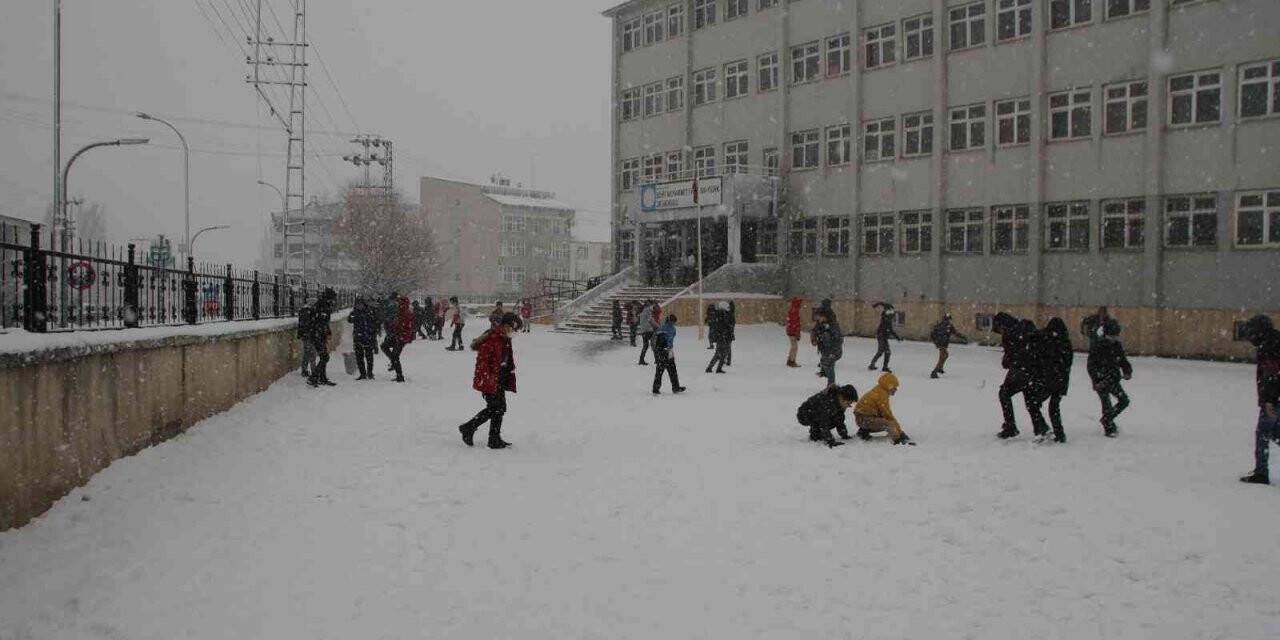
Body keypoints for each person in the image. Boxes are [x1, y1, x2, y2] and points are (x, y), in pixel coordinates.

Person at [458, 312, 521, 449]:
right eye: (513, 329)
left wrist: (508, 373)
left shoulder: (504, 338)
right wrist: (489, 380)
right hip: (490, 380)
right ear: (505, 326)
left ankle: (494, 438)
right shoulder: (493, 338)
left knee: (499, 408)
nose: (514, 333)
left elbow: (505, 360)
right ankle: (468, 428)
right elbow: (482, 363)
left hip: (499, 379)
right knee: (495, 408)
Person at [1240, 315, 1280, 485]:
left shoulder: (1270, 347)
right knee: (1275, 433)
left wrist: (1269, 400)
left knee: (1263, 433)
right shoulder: (1274, 341)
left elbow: (1272, 375)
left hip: (1274, 399)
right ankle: (1261, 471)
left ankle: (1261, 473)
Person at [993, 312, 1038, 439]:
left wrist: (1006, 361)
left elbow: (1008, 359)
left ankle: (1010, 426)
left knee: (1004, 393)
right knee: (1030, 399)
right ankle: (1040, 427)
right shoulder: (1026, 327)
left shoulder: (1010, 333)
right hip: (1033, 369)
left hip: (1019, 370)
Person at [1086, 317, 1132, 438]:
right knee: (1106, 404)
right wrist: (1096, 380)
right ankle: (1109, 427)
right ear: (1105, 335)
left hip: (1114, 379)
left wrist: (1127, 371)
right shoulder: (1097, 346)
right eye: (1112, 336)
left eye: (1116, 336)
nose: (1114, 339)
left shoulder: (1117, 346)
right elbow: (1091, 366)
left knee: (1124, 401)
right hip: (1101, 381)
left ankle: (1107, 419)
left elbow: (1123, 360)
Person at [1037, 317, 1074, 443]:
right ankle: (1059, 433)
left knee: (1034, 403)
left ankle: (1044, 428)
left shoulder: (1047, 341)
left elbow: (1043, 359)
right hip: (1060, 381)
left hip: (1049, 380)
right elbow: (1068, 363)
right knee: (1054, 408)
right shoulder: (1065, 343)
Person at [854, 372, 913, 445]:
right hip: (865, 419)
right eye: (894, 387)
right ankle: (898, 441)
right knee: (889, 424)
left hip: (862, 419)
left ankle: (863, 432)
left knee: (883, 420)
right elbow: (888, 415)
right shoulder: (882, 395)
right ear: (889, 386)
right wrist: (900, 433)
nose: (896, 389)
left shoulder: (879, 390)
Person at [305, 289, 337, 387]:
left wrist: (327, 332)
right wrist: (322, 332)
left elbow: (324, 323)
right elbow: (320, 322)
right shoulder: (322, 306)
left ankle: (322, 378)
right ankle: (313, 377)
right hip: (316, 335)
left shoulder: (323, 305)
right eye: (332, 299)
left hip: (319, 334)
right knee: (325, 357)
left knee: (324, 356)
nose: (334, 301)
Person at [381, 294, 415, 382]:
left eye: (400, 302)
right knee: (385, 347)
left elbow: (408, 327)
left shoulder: (405, 313)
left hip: (401, 337)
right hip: (397, 336)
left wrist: (403, 336)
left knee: (395, 356)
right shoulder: (400, 312)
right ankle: (395, 366)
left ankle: (400, 376)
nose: (398, 304)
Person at [347, 297, 382, 380]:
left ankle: (370, 373)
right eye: (357, 304)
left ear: (363, 304)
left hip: (368, 336)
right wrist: (352, 315)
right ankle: (362, 374)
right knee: (359, 357)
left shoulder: (370, 311)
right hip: (358, 337)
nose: (359, 306)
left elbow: (377, 321)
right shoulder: (354, 312)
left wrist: (375, 331)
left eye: (360, 304)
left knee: (369, 356)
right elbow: (349, 320)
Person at [652, 314, 685, 395]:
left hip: (661, 351)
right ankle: (675, 387)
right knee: (672, 370)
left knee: (660, 370)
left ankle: (655, 388)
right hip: (667, 351)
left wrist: (657, 351)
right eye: (673, 322)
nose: (674, 323)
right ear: (671, 321)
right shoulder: (672, 329)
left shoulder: (661, 327)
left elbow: (655, 339)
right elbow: (670, 339)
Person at [929, 313, 968, 379]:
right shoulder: (948, 326)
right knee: (943, 356)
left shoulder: (940, 325)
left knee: (945, 355)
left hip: (941, 343)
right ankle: (934, 372)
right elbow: (956, 333)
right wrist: (963, 337)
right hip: (942, 343)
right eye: (949, 319)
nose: (949, 321)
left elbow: (932, 334)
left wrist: (936, 342)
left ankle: (939, 368)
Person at [812, 310, 843, 388]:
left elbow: (838, 340)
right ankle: (825, 373)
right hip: (825, 349)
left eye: (820, 317)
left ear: (825, 317)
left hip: (833, 350)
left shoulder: (833, 325)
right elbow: (814, 331)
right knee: (825, 364)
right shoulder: (820, 324)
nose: (818, 318)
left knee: (830, 366)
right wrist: (814, 340)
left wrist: (834, 352)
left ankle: (831, 386)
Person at [868, 302, 902, 373]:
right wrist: (897, 337)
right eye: (891, 311)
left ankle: (874, 364)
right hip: (881, 335)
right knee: (885, 351)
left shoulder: (887, 318)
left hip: (883, 336)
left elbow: (891, 330)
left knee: (883, 352)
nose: (892, 313)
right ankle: (882, 366)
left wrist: (897, 337)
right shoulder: (886, 317)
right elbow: (890, 330)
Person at [706, 301, 731, 374]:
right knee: (719, 354)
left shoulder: (721, 314)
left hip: (722, 337)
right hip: (722, 337)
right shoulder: (721, 315)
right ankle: (710, 368)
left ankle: (716, 368)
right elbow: (721, 327)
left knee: (722, 353)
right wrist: (724, 335)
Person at [296, 302, 317, 379]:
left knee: (306, 354)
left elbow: (300, 324)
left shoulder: (302, 311)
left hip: (305, 336)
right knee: (312, 354)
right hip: (310, 336)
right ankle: (314, 372)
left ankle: (304, 370)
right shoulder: (311, 312)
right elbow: (312, 325)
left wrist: (300, 335)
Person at [638, 300, 659, 365]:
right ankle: (657, 360)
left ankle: (641, 360)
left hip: (643, 331)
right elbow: (651, 320)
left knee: (645, 346)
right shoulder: (647, 311)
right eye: (651, 305)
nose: (652, 306)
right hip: (649, 330)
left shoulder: (642, 311)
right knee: (654, 345)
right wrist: (658, 326)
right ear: (649, 305)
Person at [785, 297, 804, 368]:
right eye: (800, 303)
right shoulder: (795, 311)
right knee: (794, 347)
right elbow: (795, 323)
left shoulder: (792, 309)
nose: (801, 304)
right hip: (793, 332)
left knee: (793, 347)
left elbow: (792, 322)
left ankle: (790, 360)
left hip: (791, 331)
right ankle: (791, 361)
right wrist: (796, 333)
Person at [724, 300, 737, 367]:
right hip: (730, 334)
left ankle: (726, 360)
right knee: (728, 348)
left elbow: (729, 324)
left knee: (727, 348)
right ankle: (727, 360)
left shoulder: (729, 314)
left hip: (727, 334)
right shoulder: (731, 314)